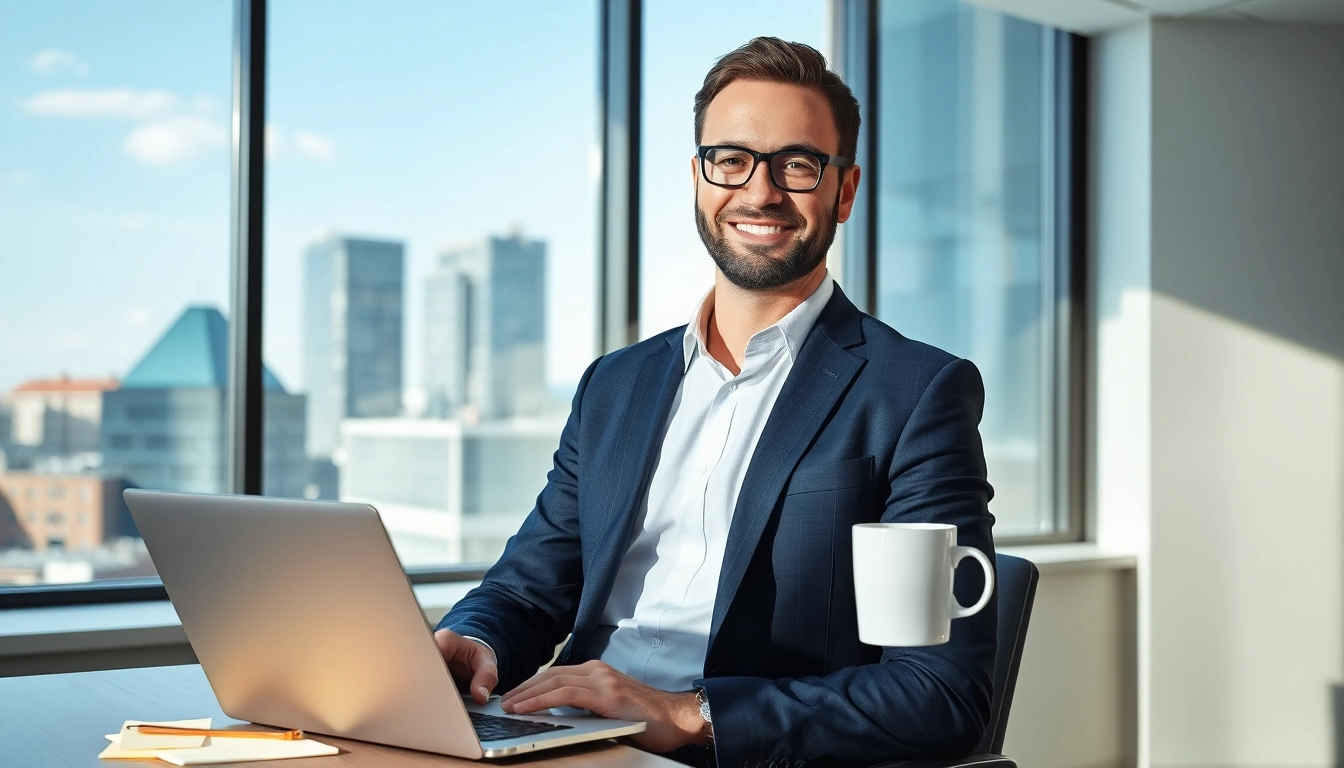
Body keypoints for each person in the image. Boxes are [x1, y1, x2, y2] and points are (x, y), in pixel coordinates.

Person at [433, 37, 996, 767]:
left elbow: (941, 695)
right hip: (572, 740)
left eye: (797, 165)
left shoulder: (915, 392)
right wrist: (469, 639)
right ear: (699, 178)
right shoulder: (615, 384)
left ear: (844, 191)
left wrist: (688, 714)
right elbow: (529, 586)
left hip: (737, 752)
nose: (760, 192)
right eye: (731, 160)